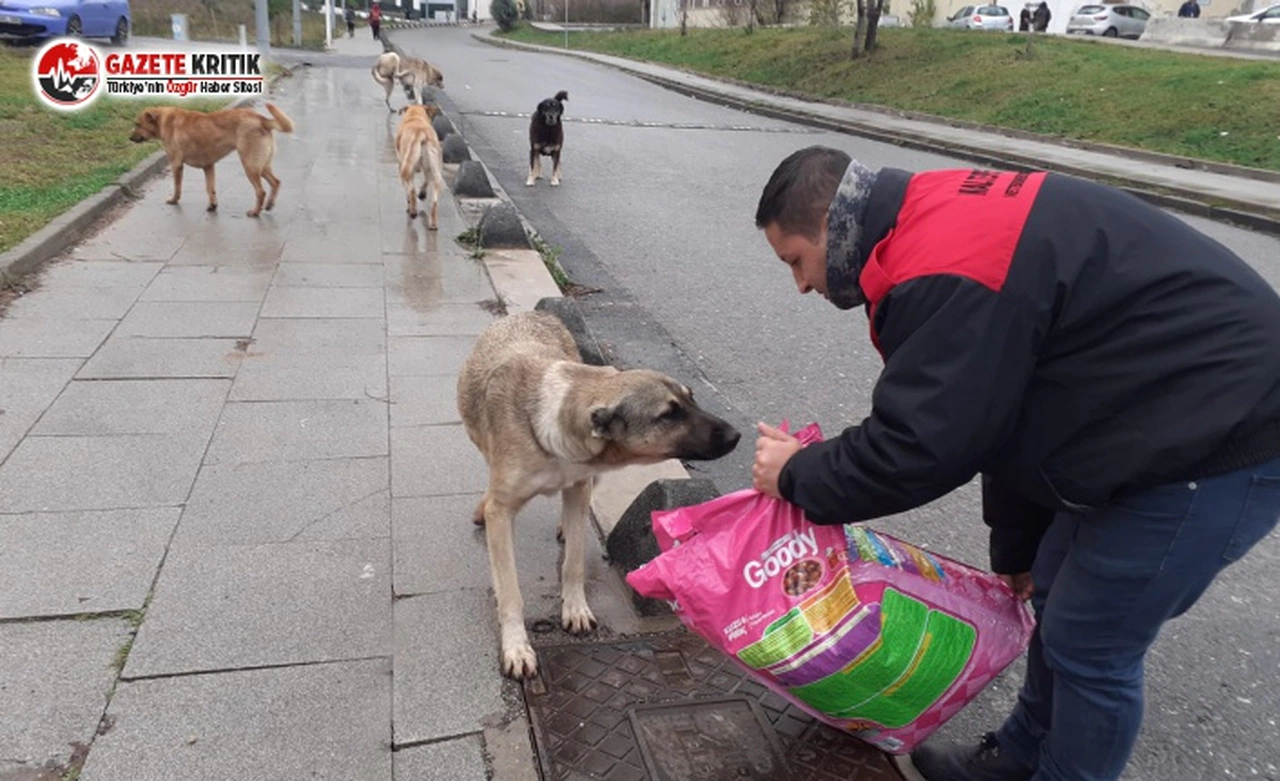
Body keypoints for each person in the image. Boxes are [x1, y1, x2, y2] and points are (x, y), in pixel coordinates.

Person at [751, 146, 1280, 781]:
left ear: (832, 226)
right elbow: (1003, 415)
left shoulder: (942, 265)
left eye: (796, 262)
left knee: (1091, 645)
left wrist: (794, 474)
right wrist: (1020, 550)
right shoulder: (922, 220)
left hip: (1220, 432)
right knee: (1054, 594)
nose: (801, 284)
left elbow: (921, 444)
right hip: (1145, 412)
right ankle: (1021, 754)